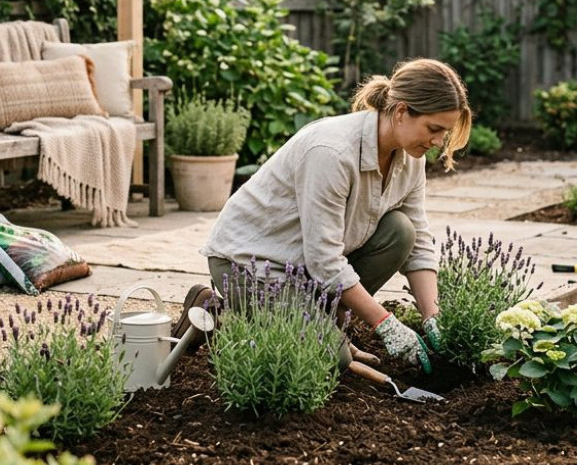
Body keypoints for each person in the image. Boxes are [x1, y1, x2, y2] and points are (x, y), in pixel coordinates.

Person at [195, 58, 472, 372]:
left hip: (308, 268)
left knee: (400, 231)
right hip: (251, 265)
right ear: (400, 111)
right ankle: (218, 316)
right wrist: (385, 323)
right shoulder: (332, 152)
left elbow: (418, 241)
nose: (438, 142)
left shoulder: (411, 157)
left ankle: (326, 327)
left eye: (444, 132)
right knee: (330, 361)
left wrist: (432, 317)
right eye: (433, 129)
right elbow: (325, 261)